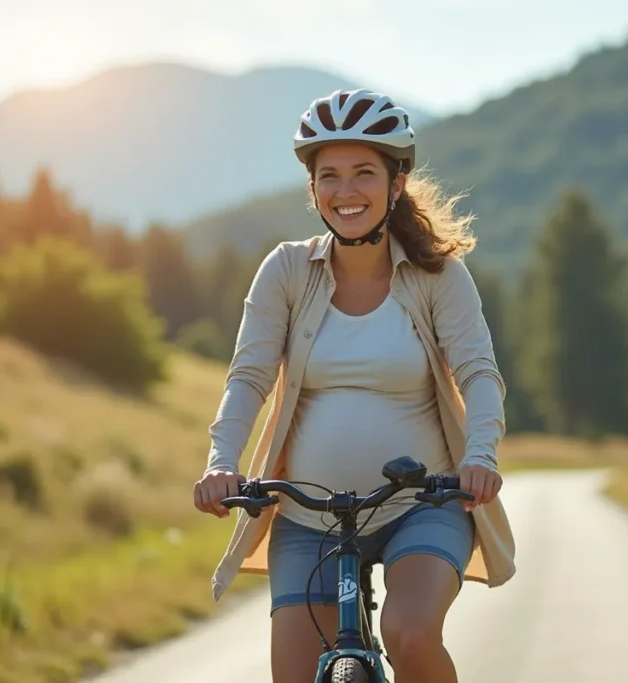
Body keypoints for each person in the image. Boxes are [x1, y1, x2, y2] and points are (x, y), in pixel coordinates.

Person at [192, 88, 516, 683]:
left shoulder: (437, 276)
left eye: (364, 173)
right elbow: (249, 377)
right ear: (312, 188)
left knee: (410, 634)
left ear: (395, 185)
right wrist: (222, 463)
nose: (346, 191)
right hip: (308, 516)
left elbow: (478, 373)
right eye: (330, 175)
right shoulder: (286, 271)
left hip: (422, 507)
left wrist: (479, 457)